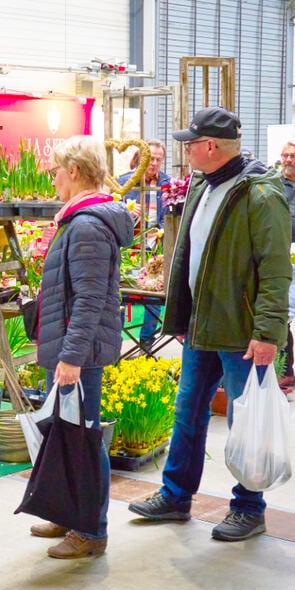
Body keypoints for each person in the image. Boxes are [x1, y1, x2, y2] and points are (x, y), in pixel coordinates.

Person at [128, 107, 291, 542]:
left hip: (242, 332)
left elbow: (276, 272)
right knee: (188, 412)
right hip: (203, 326)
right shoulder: (203, 182)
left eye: (190, 143)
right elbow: (189, 254)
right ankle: (176, 496)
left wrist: (267, 333)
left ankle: (249, 508)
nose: (186, 150)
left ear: (211, 147)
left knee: (246, 421)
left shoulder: (261, 193)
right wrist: (182, 313)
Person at [30, 135, 135, 559]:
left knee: (85, 439)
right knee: (66, 434)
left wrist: (71, 356)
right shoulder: (78, 219)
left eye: (56, 171)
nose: (53, 179)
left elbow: (91, 298)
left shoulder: (88, 225)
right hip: (73, 348)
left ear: (74, 172)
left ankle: (92, 531)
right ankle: (68, 513)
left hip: (81, 354)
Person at [118, 139, 171, 346]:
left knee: (154, 294)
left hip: (154, 247)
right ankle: (117, 343)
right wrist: (127, 212)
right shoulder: (124, 182)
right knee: (121, 293)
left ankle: (146, 342)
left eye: (158, 160)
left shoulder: (167, 184)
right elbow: (112, 210)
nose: (154, 163)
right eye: (151, 159)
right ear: (141, 159)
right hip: (129, 247)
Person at [278, 141, 295, 386]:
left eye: (293, 156)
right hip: (282, 257)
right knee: (282, 314)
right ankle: (284, 371)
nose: (289, 160)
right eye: (285, 155)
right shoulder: (275, 185)